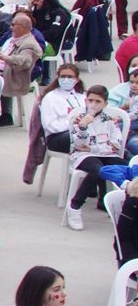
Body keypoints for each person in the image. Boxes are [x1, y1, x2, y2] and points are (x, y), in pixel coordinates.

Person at [65, 84, 124, 230]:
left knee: (127, 167)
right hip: (83, 155)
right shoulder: (77, 118)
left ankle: (125, 206)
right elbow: (78, 144)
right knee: (97, 169)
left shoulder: (110, 120)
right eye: (90, 100)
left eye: (98, 101)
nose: (93, 104)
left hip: (104, 153)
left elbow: (116, 144)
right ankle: (75, 206)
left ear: (105, 103)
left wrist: (95, 147)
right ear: (85, 100)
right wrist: (83, 128)